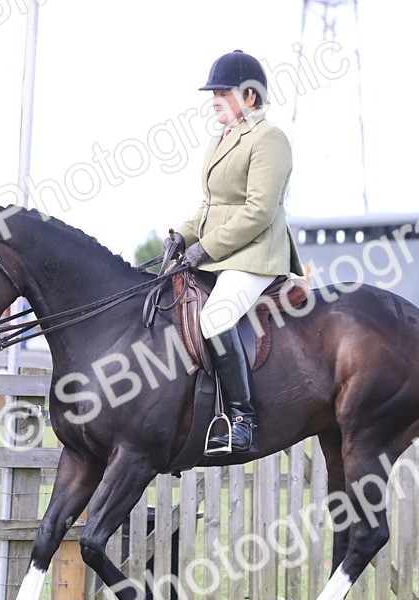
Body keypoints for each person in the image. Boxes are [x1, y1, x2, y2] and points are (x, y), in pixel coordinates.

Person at [169, 50, 303, 456]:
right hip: (220, 252)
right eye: (213, 92)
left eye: (222, 92)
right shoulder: (222, 138)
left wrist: (205, 247)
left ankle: (242, 420)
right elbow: (212, 205)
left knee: (216, 316)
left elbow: (258, 211)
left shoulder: (269, 138)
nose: (213, 100)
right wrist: (182, 234)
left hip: (255, 254)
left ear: (250, 96)